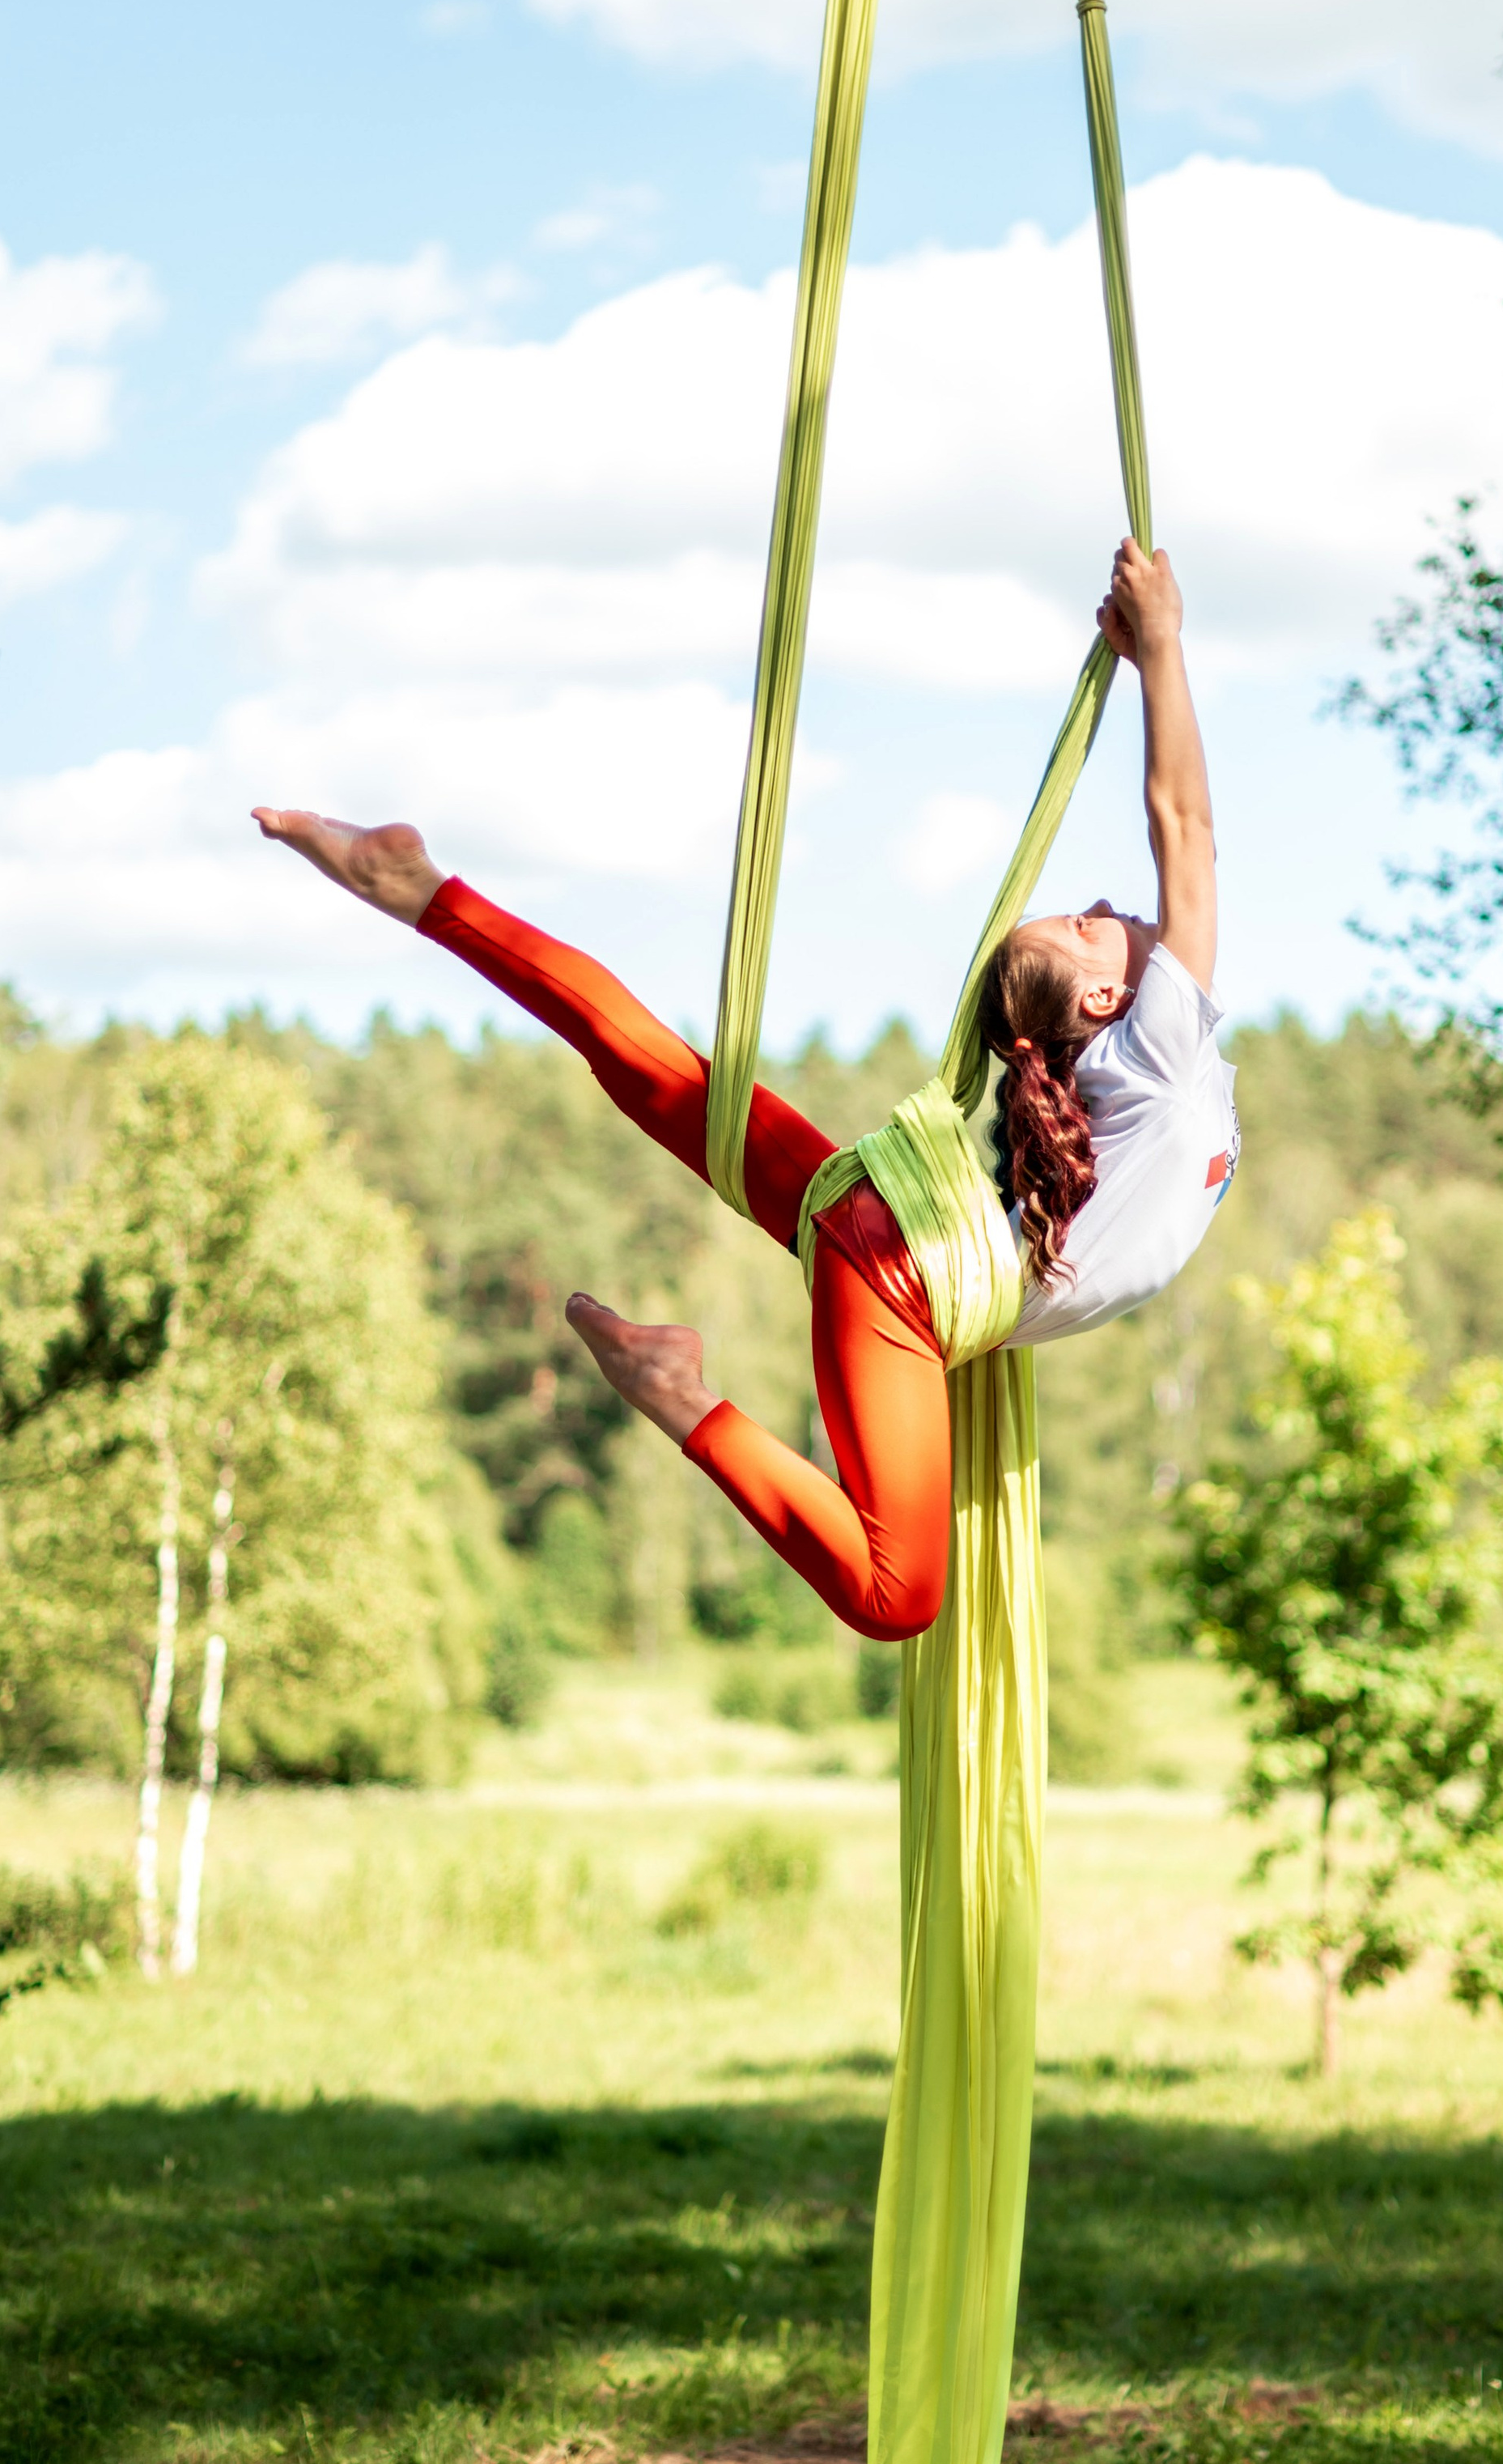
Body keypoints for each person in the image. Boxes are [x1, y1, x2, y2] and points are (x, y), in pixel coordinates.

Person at [252, 535, 1235, 1644]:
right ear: (1106, 998)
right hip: (903, 1275)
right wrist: (1161, 649)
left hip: (891, 1229)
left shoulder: (1133, 1062)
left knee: (667, 1079)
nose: (1116, 901)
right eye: (1091, 919)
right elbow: (1186, 830)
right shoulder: (1157, 1045)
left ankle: (423, 892)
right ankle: (676, 1391)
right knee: (892, 1596)